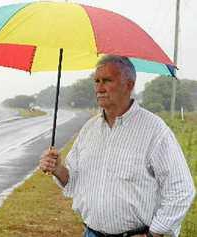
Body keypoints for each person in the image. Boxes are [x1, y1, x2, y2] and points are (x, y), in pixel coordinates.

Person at [39, 55, 195, 237]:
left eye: (107, 80)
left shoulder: (154, 130)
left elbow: (181, 189)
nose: (99, 87)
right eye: (96, 81)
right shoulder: (89, 129)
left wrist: (155, 233)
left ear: (129, 85)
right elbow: (74, 182)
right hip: (91, 233)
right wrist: (58, 169)